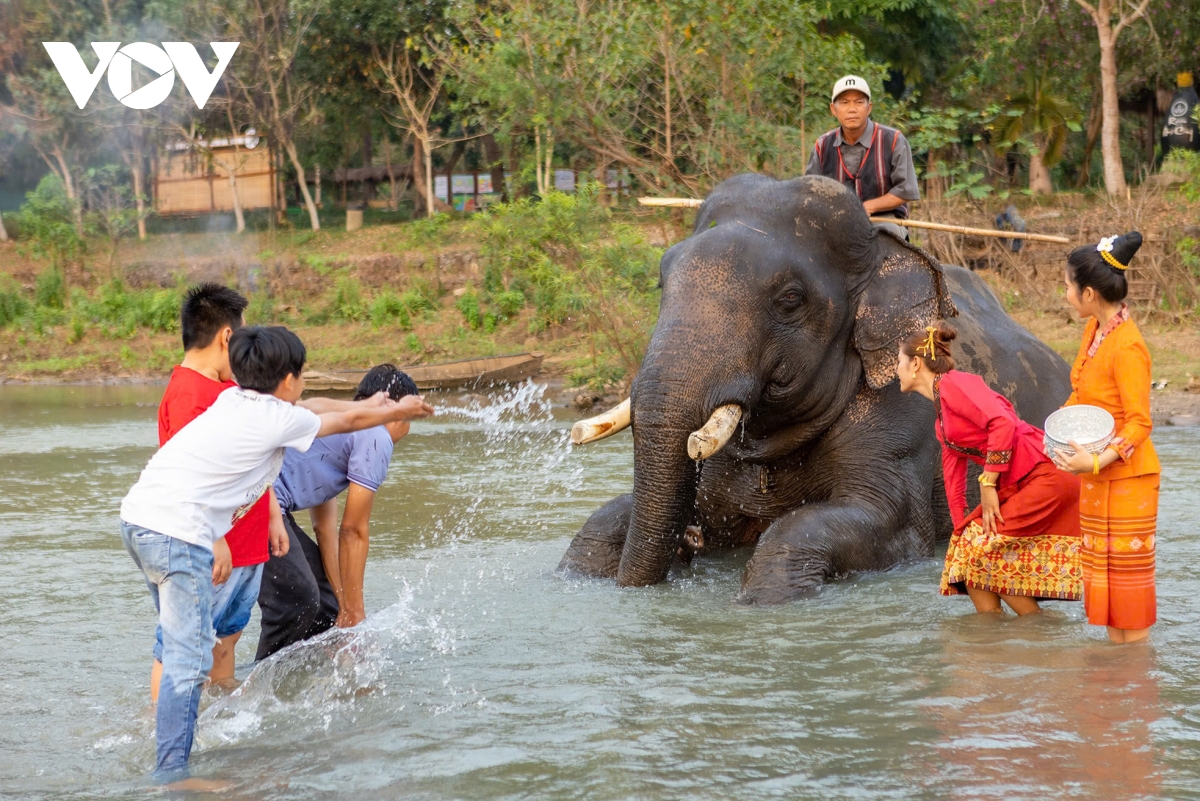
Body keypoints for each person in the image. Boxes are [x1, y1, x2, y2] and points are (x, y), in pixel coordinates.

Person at [119, 326, 434, 779]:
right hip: (176, 529)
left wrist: (371, 405)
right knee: (188, 658)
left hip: (139, 520)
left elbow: (321, 408)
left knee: (183, 643)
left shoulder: (238, 400)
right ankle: (173, 774)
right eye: (302, 373)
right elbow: (337, 424)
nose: (304, 384)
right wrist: (395, 409)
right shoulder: (277, 420)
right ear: (287, 380)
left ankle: (189, 724)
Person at [148, 283, 288, 703]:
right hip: (214, 549)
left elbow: (253, 463)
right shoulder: (189, 395)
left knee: (225, 641)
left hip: (247, 544)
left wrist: (274, 516)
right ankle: (158, 728)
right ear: (227, 336)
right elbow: (187, 481)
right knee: (181, 647)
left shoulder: (226, 390)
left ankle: (219, 721)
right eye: (241, 338)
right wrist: (214, 537)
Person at [897, 322, 1083, 615]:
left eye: (899, 361)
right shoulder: (942, 423)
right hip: (1024, 480)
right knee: (966, 560)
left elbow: (1003, 423)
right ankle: (993, 642)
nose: (896, 369)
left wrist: (987, 483)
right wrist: (958, 534)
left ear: (916, 364)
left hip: (1045, 474)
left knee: (977, 552)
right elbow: (953, 484)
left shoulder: (954, 384)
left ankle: (1035, 625)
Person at [256, 364, 419, 660]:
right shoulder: (376, 435)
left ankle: (310, 676)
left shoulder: (342, 431)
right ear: (398, 413)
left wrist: (344, 606)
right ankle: (264, 682)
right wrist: (356, 616)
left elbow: (326, 530)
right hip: (258, 503)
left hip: (269, 504)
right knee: (300, 597)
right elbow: (354, 531)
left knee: (326, 604)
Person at [1050, 232, 1160, 644]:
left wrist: (1095, 461)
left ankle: (1134, 692)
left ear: (1090, 293)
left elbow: (1139, 423)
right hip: (1096, 476)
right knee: (1108, 593)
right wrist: (1058, 425)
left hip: (1128, 480)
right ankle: (1117, 692)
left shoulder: (1128, 347)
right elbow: (1082, 393)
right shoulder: (1095, 332)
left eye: (1068, 286)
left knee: (1128, 600)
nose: (1066, 295)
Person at [805, 74, 920, 236]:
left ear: (869, 108)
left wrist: (868, 207)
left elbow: (905, 190)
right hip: (837, 222)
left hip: (885, 222)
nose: (852, 109)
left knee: (883, 243)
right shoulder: (822, 146)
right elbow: (810, 191)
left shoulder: (893, 140)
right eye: (844, 103)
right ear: (833, 109)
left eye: (859, 102)